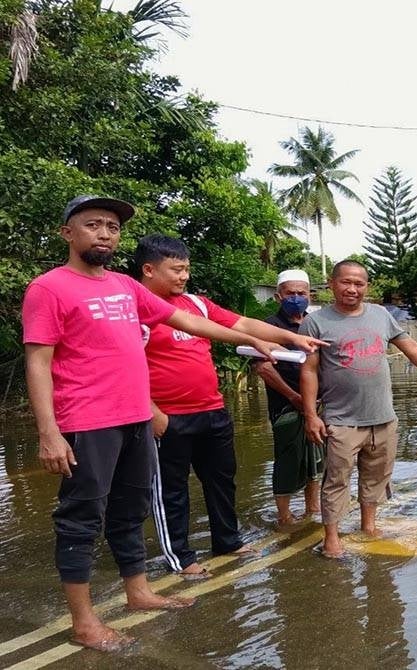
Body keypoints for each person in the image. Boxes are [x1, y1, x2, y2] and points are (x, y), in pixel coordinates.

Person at [22, 195, 286, 652]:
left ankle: (138, 590)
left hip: (136, 418)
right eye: (93, 225)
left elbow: (185, 319)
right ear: (68, 233)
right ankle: (84, 622)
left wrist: (248, 339)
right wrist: (49, 433)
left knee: (131, 510)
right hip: (86, 420)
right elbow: (39, 362)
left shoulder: (125, 286)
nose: (104, 233)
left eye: (111, 226)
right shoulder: (49, 288)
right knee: (81, 518)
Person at [136, 235, 326, 580]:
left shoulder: (197, 304)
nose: (184, 277)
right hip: (168, 416)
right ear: (149, 270)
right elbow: (126, 365)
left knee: (222, 479)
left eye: (187, 269)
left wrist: (291, 337)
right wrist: (151, 411)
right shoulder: (135, 309)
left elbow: (241, 324)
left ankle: (227, 540)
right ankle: (180, 556)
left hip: (212, 409)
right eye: (176, 270)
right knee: (171, 489)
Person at [300, 260, 417, 558]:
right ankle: (332, 537)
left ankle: (368, 525)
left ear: (367, 286)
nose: (352, 289)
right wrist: (310, 415)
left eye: (359, 283)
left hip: (382, 417)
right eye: (346, 282)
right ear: (332, 283)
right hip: (341, 419)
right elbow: (309, 370)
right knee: (336, 479)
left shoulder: (381, 315)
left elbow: (412, 349)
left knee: (376, 476)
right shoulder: (316, 322)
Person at [251, 268, 323, 527]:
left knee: (316, 459)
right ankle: (284, 516)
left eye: (301, 293)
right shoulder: (268, 327)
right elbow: (263, 368)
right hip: (286, 406)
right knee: (288, 459)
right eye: (290, 293)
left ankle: (312, 509)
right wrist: (294, 397)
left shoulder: (315, 324)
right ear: (278, 296)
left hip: (318, 405)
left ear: (309, 295)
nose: (296, 297)